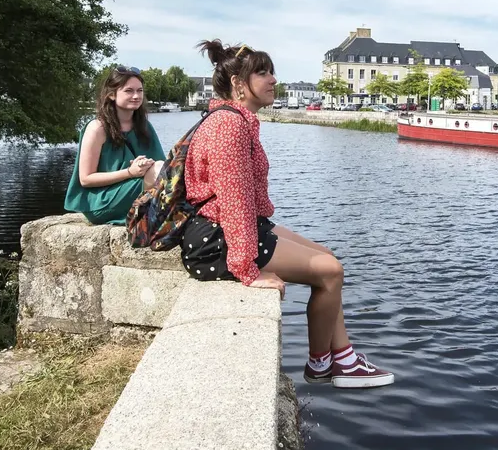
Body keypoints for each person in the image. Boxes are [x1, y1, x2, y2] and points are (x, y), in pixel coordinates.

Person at [182, 40, 394, 389]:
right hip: (215, 239)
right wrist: (247, 270)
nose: (273, 79)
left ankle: (342, 358)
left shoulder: (235, 120)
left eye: (271, 71)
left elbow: (243, 203)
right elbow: (233, 201)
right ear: (238, 83)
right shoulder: (229, 126)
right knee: (331, 272)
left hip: (233, 226)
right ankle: (322, 363)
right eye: (262, 72)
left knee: (326, 258)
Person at [64, 66, 165, 225]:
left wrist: (144, 166)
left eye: (140, 90)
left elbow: (164, 167)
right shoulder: (97, 128)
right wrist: (130, 172)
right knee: (159, 172)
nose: (136, 96)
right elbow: (86, 179)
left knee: (167, 170)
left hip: (135, 189)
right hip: (101, 202)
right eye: (129, 91)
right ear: (111, 94)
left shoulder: (144, 127)